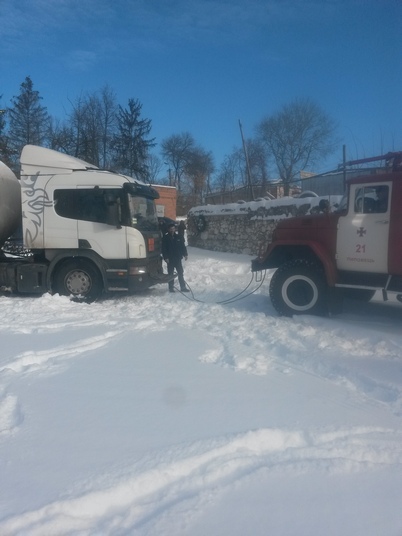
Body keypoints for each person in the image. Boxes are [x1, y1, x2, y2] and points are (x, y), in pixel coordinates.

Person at [162, 223, 189, 292]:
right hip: (170, 259)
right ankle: (171, 288)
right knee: (170, 274)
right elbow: (163, 249)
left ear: (175, 229)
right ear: (168, 230)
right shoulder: (165, 238)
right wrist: (166, 258)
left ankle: (183, 287)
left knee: (180, 273)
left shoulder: (179, 237)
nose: (172, 230)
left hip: (177, 258)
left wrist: (185, 254)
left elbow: (183, 247)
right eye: (171, 229)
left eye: (173, 229)